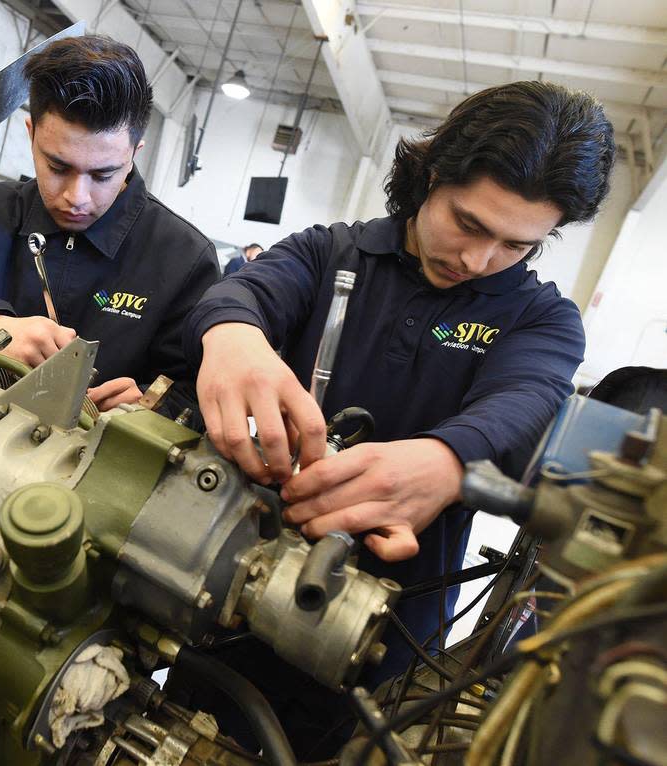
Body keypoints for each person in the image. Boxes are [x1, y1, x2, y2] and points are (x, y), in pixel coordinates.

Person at [179, 81, 614, 756]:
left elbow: (526, 404)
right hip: (225, 605)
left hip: (384, 653)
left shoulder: (543, 321)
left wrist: (446, 460)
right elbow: (243, 291)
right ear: (431, 174)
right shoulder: (329, 254)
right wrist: (232, 334)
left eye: (515, 244)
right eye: (468, 223)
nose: (477, 260)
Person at [0, 35, 219, 414]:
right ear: (31, 135)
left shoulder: (185, 259)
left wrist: (148, 408)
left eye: (103, 174)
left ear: (133, 154)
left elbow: (194, 390)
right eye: (58, 168)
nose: (77, 197)